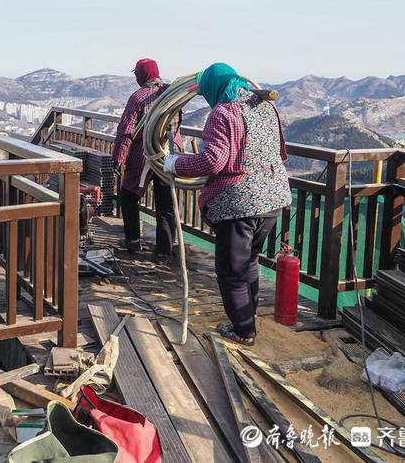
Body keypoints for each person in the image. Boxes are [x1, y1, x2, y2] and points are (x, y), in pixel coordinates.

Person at [164, 63, 291, 345]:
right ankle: (248, 319)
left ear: (212, 87)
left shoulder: (222, 112)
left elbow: (214, 160)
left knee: (231, 272)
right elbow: (278, 148)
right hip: (272, 199)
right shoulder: (263, 104)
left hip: (240, 204)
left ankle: (244, 331)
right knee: (250, 262)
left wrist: (176, 164)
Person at [112, 58, 183, 258]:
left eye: (136, 73)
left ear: (142, 74)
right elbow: (176, 126)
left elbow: (126, 131)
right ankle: (164, 251)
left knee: (128, 196)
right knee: (166, 202)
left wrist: (117, 158)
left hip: (144, 155)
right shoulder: (171, 94)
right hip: (169, 155)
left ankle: (133, 242)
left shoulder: (139, 97)